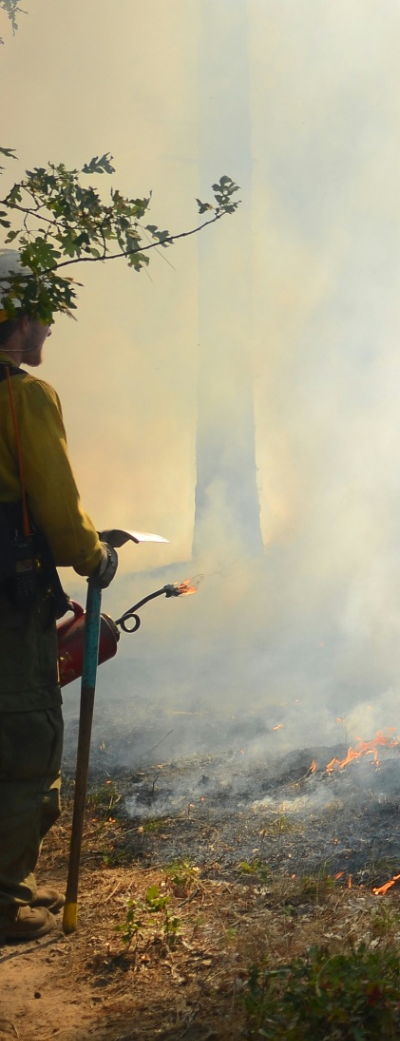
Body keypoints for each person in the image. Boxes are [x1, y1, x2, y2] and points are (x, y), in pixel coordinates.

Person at [0, 266, 113, 943]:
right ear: (14, 321)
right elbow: (62, 517)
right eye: (42, 317)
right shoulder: (24, 399)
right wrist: (97, 555)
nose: (48, 329)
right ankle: (5, 898)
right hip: (8, 611)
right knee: (24, 740)